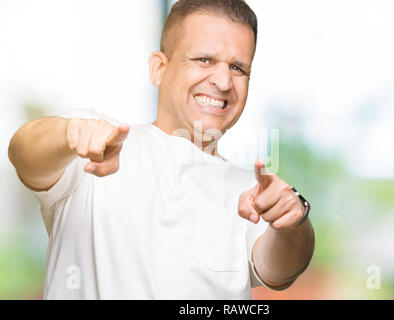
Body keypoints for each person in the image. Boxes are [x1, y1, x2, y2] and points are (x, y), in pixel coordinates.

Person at [8, 0, 314, 299]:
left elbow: (281, 271)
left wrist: (292, 222)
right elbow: (24, 155)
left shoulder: (251, 192)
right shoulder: (96, 146)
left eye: (237, 68)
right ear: (158, 68)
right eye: (204, 60)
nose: (222, 81)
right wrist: (67, 134)